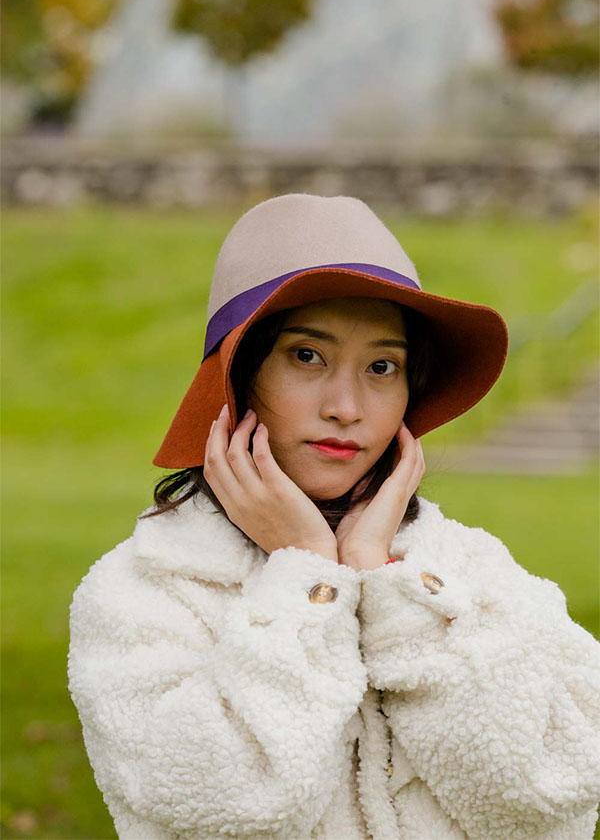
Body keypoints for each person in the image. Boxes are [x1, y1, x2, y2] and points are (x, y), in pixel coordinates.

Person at [68, 193, 600, 840]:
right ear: (237, 375)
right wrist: (310, 579)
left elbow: (552, 796)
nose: (347, 407)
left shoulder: (472, 573)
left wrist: (386, 586)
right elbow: (226, 806)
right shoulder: (145, 593)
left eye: (382, 366)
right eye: (307, 356)